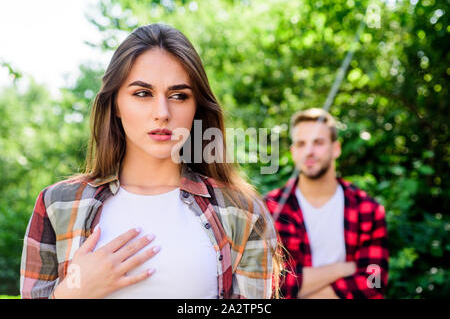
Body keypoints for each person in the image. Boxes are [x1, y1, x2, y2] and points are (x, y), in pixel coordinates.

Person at [20, 23, 282, 299]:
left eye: (179, 96)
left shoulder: (242, 210)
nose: (162, 112)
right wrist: (73, 292)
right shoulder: (57, 204)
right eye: (143, 94)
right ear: (116, 105)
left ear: (196, 108)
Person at [264, 108, 389, 299]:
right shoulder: (271, 209)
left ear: (336, 148)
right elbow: (272, 284)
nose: (309, 151)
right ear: (293, 152)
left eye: (318, 143)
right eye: (301, 144)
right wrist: (342, 269)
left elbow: (374, 283)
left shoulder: (368, 209)